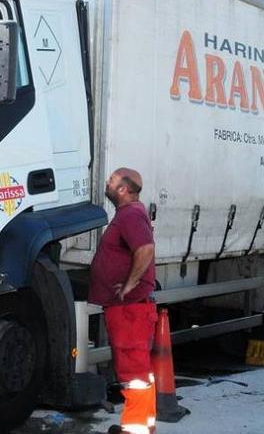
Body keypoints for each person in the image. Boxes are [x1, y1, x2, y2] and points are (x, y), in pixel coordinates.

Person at [89, 168, 157, 434]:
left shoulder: (129, 215)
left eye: (113, 180)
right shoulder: (131, 214)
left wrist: (130, 284)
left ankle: (135, 430)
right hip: (131, 309)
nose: (108, 182)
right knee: (138, 371)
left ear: (122, 189)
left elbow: (145, 248)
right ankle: (143, 426)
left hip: (130, 310)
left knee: (134, 375)